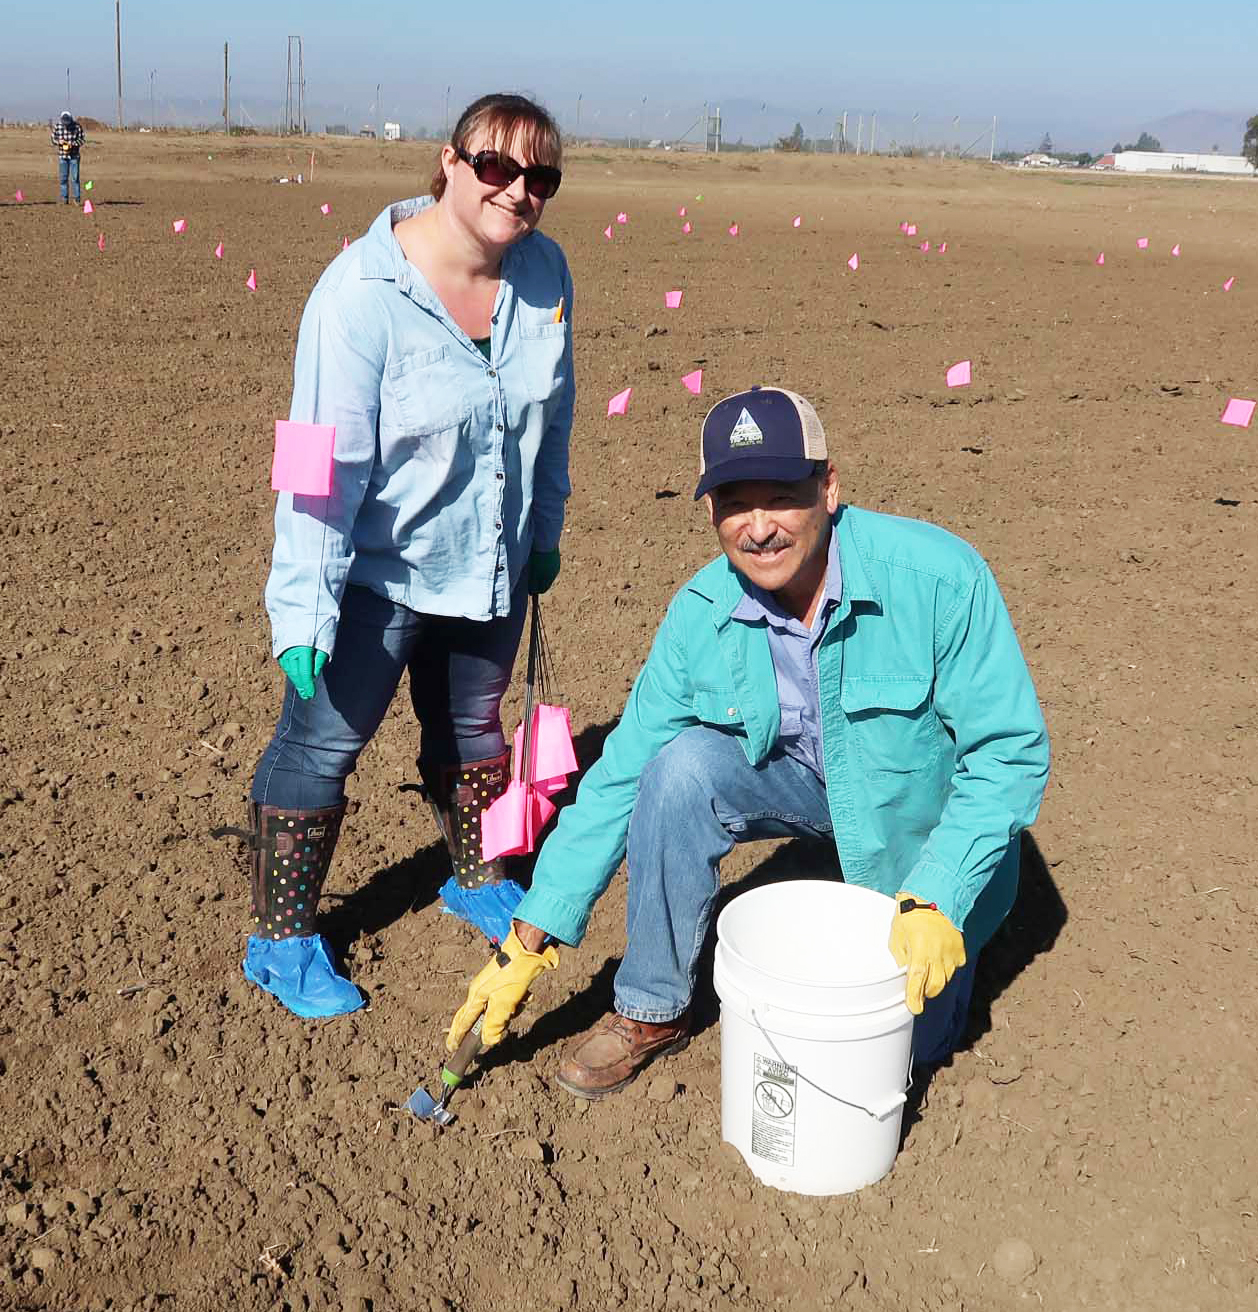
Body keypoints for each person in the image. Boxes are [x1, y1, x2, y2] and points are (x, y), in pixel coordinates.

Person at [447, 387, 1050, 1098]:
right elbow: (622, 773)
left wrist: (937, 898)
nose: (759, 528)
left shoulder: (938, 579)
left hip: (918, 820)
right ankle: (651, 1006)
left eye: (782, 497)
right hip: (807, 781)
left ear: (828, 489)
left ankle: (928, 924)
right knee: (678, 771)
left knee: (897, 1052)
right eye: (736, 503)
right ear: (710, 512)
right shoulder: (702, 612)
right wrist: (529, 937)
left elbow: (1007, 754)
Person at [227, 93, 574, 1019]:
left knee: (473, 732)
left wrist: (545, 529)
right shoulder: (359, 294)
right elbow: (314, 460)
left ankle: (473, 873)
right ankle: (283, 937)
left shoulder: (545, 275)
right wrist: (302, 604)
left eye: (539, 176)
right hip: (379, 577)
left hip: (491, 562)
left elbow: (556, 413)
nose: (518, 191)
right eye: (497, 167)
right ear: (450, 164)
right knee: (324, 742)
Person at [52, 111, 85, 203]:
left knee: (75, 178)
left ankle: (77, 199)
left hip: (74, 156)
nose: (65, 125)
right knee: (63, 178)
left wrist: (73, 144)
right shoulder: (57, 126)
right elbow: (53, 139)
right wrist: (59, 142)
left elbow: (82, 140)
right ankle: (64, 198)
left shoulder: (77, 127)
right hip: (62, 156)